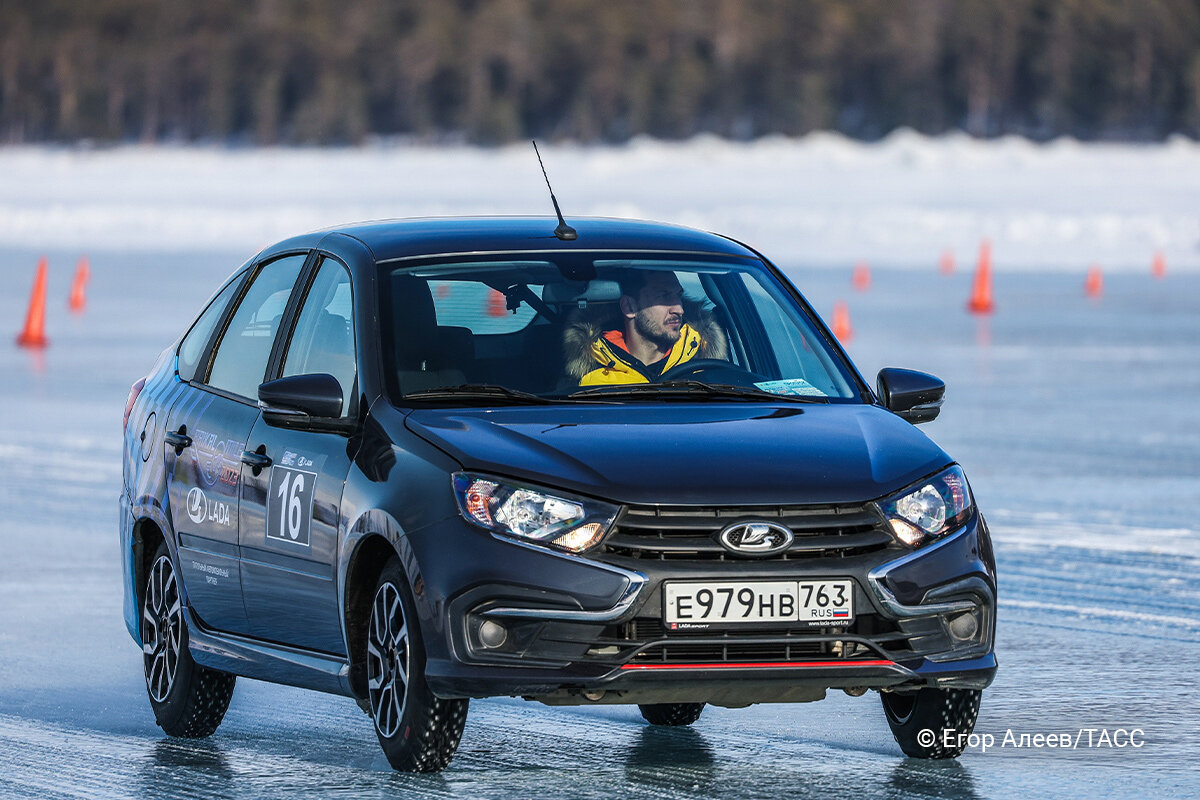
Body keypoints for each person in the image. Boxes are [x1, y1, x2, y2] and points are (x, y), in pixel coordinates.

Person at [564, 270, 727, 386]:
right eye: (664, 296)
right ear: (629, 307)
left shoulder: (706, 372)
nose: (679, 309)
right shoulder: (589, 382)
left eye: (678, 295)